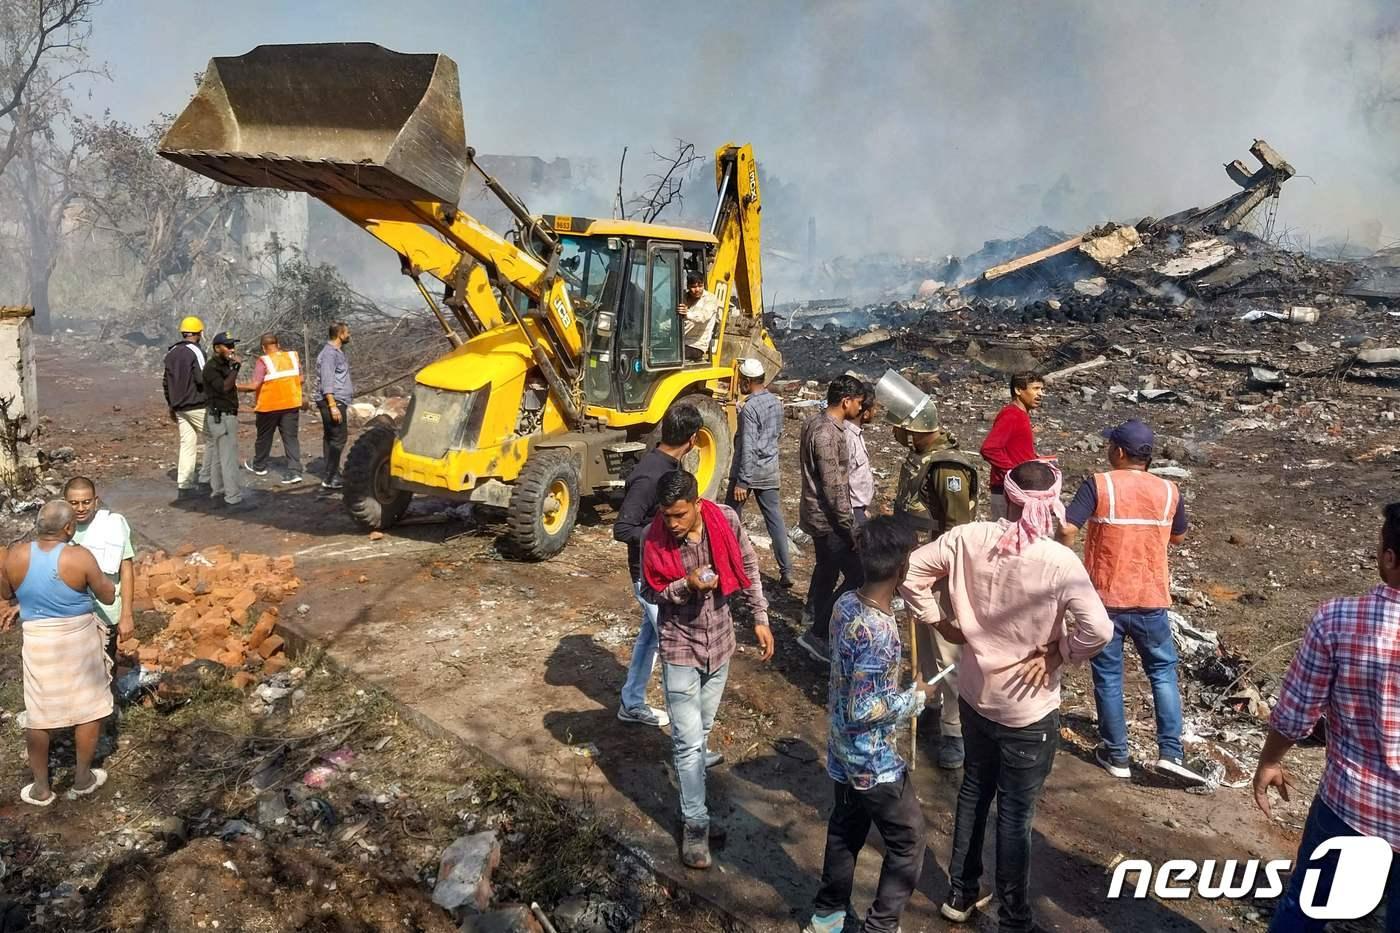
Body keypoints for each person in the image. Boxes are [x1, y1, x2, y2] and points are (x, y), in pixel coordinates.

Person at [902, 460, 1112, 931]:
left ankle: (960, 892)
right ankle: (1013, 916)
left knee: (974, 793)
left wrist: (939, 620)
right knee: (1015, 814)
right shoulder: (1060, 562)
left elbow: (912, 570)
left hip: (977, 695)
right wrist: (1061, 652)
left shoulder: (968, 538)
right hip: (1028, 709)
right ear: (1052, 504)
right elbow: (1099, 630)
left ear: (1008, 498)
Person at [1252, 503, 1400, 932]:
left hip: (1353, 804)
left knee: (1308, 906)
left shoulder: (1337, 619)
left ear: (1390, 558)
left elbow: (1297, 712)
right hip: (1356, 803)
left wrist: (1270, 762)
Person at [641, 469, 773, 869]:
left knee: (701, 733)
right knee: (686, 742)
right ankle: (695, 825)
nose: (674, 524)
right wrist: (685, 585)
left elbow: (747, 564)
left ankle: (691, 806)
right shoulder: (655, 538)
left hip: (720, 643)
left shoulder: (726, 521)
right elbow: (649, 590)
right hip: (680, 646)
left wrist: (760, 617)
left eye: (680, 515)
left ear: (698, 505)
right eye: (668, 517)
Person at [803, 517, 926, 933]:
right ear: (902, 569)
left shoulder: (847, 604)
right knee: (908, 841)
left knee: (845, 830)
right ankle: (880, 926)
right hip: (872, 761)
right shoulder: (879, 631)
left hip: (840, 748)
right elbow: (865, 707)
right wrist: (914, 699)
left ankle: (827, 916)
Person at [1058, 419, 1197, 783]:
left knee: (1108, 677)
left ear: (1119, 452)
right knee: (1163, 673)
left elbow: (1067, 528)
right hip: (1151, 599)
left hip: (1105, 600)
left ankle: (1116, 754)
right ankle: (1171, 752)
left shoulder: (1099, 484)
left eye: (1110, 447)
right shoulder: (1169, 491)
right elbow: (1178, 538)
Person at [886, 389, 980, 770]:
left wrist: (942, 574)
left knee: (947, 652)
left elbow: (956, 532)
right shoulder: (921, 459)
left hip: (940, 574)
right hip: (916, 568)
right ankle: (930, 705)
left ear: (915, 430)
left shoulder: (947, 469)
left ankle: (954, 730)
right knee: (924, 646)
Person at [0, 500, 118, 805]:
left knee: (38, 714)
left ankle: (41, 787)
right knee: (88, 706)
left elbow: (6, 592)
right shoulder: (79, 556)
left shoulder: (16, 555)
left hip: (38, 639)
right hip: (77, 637)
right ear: (69, 528)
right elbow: (107, 594)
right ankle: (82, 778)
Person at [613, 403, 702, 728]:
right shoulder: (651, 475)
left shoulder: (666, 467)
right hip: (649, 575)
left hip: (662, 571)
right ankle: (688, 731)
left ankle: (632, 702)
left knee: (650, 638)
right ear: (692, 439)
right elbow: (622, 529)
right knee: (675, 646)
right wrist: (663, 536)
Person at [797, 375, 867, 664]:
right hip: (829, 521)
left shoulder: (814, 422)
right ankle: (818, 633)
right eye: (859, 403)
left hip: (817, 515)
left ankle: (814, 617)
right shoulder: (827, 434)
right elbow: (834, 488)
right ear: (846, 401)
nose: (861, 409)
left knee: (826, 570)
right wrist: (850, 529)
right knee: (858, 575)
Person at [726, 358, 793, 588]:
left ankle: (729, 567)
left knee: (729, 518)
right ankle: (786, 571)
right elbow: (774, 435)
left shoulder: (750, 409)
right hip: (769, 469)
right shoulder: (775, 402)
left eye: (741, 382)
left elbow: (748, 445)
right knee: (775, 521)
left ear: (746, 381)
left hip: (748, 471)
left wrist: (743, 482)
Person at [63, 477, 135, 652]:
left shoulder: (113, 525)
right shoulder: (59, 528)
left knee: (106, 666)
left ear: (96, 501)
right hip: (70, 616)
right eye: (74, 503)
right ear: (65, 503)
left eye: (86, 502)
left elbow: (126, 570)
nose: (80, 508)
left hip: (107, 613)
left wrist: (127, 615)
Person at [239, 332, 305, 485]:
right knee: (291, 438)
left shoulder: (263, 361)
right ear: (278, 345)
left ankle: (259, 466)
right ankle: (295, 471)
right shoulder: (292, 357)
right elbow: (301, 379)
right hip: (291, 403)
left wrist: (233, 387)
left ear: (263, 347)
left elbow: (254, 385)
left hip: (269, 406)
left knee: (264, 438)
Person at [202, 332, 254, 512]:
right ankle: (233, 498)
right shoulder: (211, 368)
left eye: (233, 345)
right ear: (217, 348)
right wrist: (236, 368)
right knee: (228, 458)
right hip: (221, 417)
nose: (232, 349)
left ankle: (218, 491)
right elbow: (224, 387)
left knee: (218, 456)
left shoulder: (223, 365)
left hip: (223, 415)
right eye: (228, 346)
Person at [980, 372, 1043, 520]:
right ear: (1018, 390)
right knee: (1008, 538)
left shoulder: (1021, 415)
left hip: (1016, 489)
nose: (1040, 394)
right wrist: (1014, 472)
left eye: (1041, 389)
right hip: (1007, 491)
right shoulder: (1012, 415)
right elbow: (989, 448)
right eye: (1035, 388)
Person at [162, 315, 210, 501]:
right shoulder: (195, 351)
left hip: (179, 407)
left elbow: (166, 382)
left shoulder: (171, 352)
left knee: (187, 445)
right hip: (197, 405)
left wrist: (171, 405)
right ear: (199, 333)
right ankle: (207, 481)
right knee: (215, 440)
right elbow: (202, 378)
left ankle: (184, 486)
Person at [316, 321, 353, 490]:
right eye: (347, 332)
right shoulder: (330, 354)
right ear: (340, 334)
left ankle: (331, 474)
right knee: (339, 438)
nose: (349, 335)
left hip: (337, 400)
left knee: (330, 438)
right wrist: (332, 405)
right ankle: (330, 477)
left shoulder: (336, 353)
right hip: (334, 400)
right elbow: (327, 380)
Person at [844, 384, 877, 530]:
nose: (876, 412)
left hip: (859, 509)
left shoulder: (857, 434)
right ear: (865, 413)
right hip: (852, 511)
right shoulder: (848, 437)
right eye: (874, 409)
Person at [680, 275, 719, 361]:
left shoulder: (710, 299)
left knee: (669, 355)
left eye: (700, 286)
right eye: (693, 287)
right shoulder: (683, 297)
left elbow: (703, 317)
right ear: (688, 286)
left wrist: (687, 313)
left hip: (696, 345)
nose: (697, 289)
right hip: (679, 342)